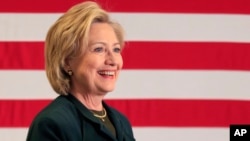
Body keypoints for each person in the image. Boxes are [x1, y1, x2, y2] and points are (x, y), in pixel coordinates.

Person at [26, 1, 135, 141]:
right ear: (67, 61)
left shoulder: (121, 123)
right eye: (99, 49)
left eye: (116, 49)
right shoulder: (52, 123)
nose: (113, 61)